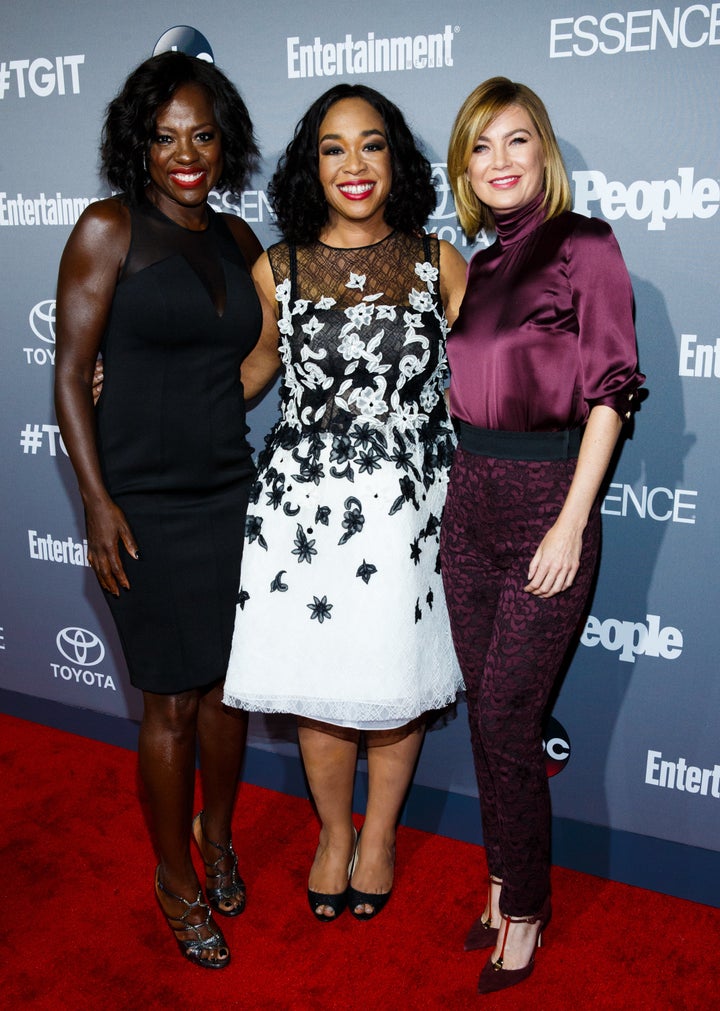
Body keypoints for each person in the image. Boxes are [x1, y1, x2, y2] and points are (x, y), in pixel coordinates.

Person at [54, 51, 278, 970]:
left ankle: (217, 838)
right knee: (171, 702)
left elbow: (264, 348)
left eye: (202, 134)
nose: (185, 152)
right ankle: (174, 879)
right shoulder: (109, 229)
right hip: (140, 502)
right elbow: (69, 372)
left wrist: (215, 401)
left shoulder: (239, 242)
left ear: (225, 143)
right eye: (165, 136)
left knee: (227, 690)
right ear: (138, 146)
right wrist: (97, 501)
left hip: (230, 488)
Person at [222, 84, 468, 922]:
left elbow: (491, 368)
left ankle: (382, 835)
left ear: (394, 160)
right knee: (321, 686)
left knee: (392, 681)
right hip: (303, 511)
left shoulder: (438, 263)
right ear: (311, 164)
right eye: (334, 147)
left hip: (408, 509)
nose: (354, 164)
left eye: (371, 144)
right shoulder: (277, 265)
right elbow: (253, 371)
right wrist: (153, 389)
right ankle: (333, 832)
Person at [441, 77, 644, 995]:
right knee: (488, 718)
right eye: (482, 147)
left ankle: (525, 909)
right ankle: (500, 876)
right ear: (466, 166)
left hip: (545, 504)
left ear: (544, 150)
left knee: (506, 718)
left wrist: (570, 521)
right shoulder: (478, 265)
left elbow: (611, 394)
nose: (501, 162)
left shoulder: (586, 247)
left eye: (517, 141)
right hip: (468, 504)